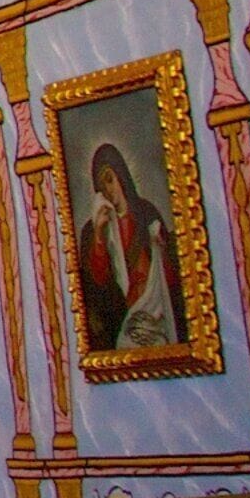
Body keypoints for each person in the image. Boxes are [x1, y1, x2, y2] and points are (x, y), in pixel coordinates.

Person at [77, 141, 181, 351]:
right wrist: (99, 234)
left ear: (121, 176)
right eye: (102, 184)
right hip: (123, 322)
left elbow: (171, 279)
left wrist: (160, 249)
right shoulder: (93, 228)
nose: (108, 189)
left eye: (110, 179)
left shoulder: (146, 213)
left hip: (154, 315)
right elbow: (97, 284)